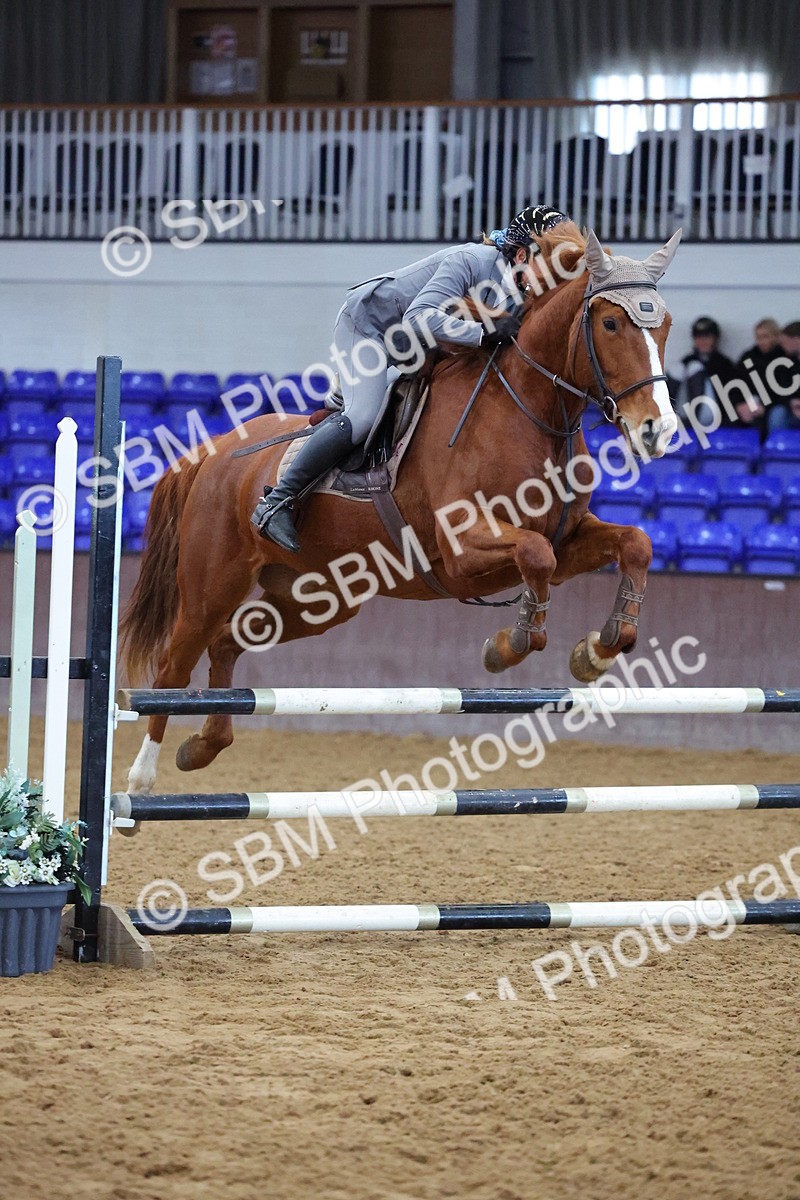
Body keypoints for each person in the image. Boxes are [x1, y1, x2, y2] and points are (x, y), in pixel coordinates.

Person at [251, 203, 568, 552]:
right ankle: (277, 501)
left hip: (414, 347)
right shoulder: (469, 261)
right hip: (370, 327)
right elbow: (418, 318)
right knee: (362, 417)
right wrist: (483, 332)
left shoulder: (520, 291)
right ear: (521, 254)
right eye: (549, 263)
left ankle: (344, 397)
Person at [668, 316, 741, 429]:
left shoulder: (724, 364)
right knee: (677, 369)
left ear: (715, 339)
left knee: (694, 367)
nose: (702, 341)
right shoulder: (686, 361)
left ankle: (692, 421)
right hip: (683, 413)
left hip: (713, 416)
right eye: (698, 337)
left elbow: (733, 395)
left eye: (707, 337)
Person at [734, 318, 785, 438]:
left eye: (765, 336)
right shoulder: (748, 357)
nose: (761, 341)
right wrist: (739, 405)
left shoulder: (784, 359)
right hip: (748, 403)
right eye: (758, 337)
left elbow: (785, 391)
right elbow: (735, 383)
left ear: (776, 337)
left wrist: (765, 407)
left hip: (771, 406)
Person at [765, 321, 800, 432]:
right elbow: (780, 389)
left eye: (785, 342)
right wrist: (792, 402)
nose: (782, 345)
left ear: (797, 340)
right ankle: (776, 447)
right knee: (778, 413)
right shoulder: (785, 362)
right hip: (793, 409)